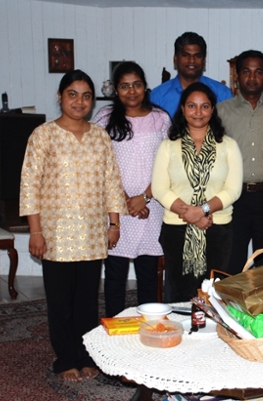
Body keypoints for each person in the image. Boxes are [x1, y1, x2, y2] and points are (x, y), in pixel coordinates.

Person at [19, 70, 127, 382]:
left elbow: (111, 181)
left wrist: (114, 222)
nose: (79, 101)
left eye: (86, 95)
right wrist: (35, 232)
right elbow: (29, 185)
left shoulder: (99, 136)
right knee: (60, 302)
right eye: (72, 94)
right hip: (55, 235)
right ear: (60, 96)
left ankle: (86, 355)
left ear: (93, 101)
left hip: (92, 234)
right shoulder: (43, 135)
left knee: (87, 301)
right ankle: (66, 358)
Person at [152, 82, 242, 302]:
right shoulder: (168, 146)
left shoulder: (228, 145)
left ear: (213, 109)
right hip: (176, 230)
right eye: (192, 106)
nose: (198, 112)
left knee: (214, 295)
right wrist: (189, 215)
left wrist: (201, 210)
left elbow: (233, 190)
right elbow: (159, 188)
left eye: (205, 106)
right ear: (182, 109)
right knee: (181, 294)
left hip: (217, 229)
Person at [92, 62, 171, 314]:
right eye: (125, 86)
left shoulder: (160, 118)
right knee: (115, 274)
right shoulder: (104, 118)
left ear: (145, 87)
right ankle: (115, 329)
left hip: (153, 206)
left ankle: (148, 327)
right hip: (115, 210)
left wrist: (145, 198)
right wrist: (124, 201)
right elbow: (99, 164)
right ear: (116, 90)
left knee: (148, 274)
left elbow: (169, 163)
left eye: (136, 85)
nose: (131, 91)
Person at [217, 50, 263, 274]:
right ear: (237, 76)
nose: (252, 77)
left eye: (258, 72)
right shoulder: (221, 112)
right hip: (233, 198)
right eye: (246, 71)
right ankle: (229, 309)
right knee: (231, 262)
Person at [150, 31, 232, 119]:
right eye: (185, 55)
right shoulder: (157, 96)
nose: (192, 60)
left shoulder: (222, 93)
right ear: (175, 59)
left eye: (197, 56)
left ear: (204, 61)